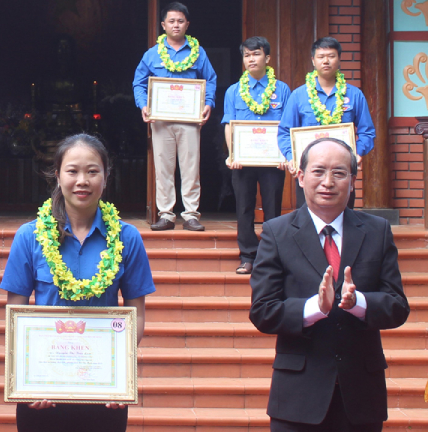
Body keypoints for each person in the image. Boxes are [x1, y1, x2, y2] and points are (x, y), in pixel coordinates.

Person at [249, 138, 409, 432]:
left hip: (360, 395)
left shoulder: (377, 231)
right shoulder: (276, 232)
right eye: (318, 172)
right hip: (298, 397)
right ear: (300, 175)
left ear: (353, 180)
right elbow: (263, 310)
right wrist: (313, 308)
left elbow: (398, 306)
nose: (327, 181)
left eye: (339, 173)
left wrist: (359, 304)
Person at [0, 134, 155, 432]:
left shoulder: (128, 238)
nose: (81, 181)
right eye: (72, 171)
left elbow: (137, 315)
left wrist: (119, 380)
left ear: (106, 176)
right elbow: (15, 315)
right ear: (57, 175)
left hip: (104, 395)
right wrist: (25, 380)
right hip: (42, 396)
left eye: (92, 171)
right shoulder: (30, 236)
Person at [133, 2, 217, 231]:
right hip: (160, 120)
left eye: (180, 21)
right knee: (163, 167)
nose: (176, 25)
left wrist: (208, 103)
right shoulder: (152, 54)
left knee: (191, 167)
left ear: (187, 24)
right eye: (171, 21)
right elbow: (138, 83)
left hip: (189, 120)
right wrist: (143, 105)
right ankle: (166, 215)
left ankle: (190, 214)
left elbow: (210, 79)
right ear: (163, 25)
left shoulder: (198, 53)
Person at [278, 36, 375, 209]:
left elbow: (367, 131)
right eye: (321, 57)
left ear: (339, 59)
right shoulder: (298, 96)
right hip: (309, 168)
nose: (326, 61)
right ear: (313, 61)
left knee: (344, 218)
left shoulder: (354, 94)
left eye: (331, 56)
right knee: (307, 221)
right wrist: (292, 157)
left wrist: (357, 153)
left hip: (342, 169)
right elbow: (285, 132)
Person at [222, 36, 291, 274]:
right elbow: (229, 125)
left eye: (256, 54)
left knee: (273, 210)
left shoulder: (282, 90)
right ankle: (248, 256)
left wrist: (286, 155)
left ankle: (273, 256)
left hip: (274, 162)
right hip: (243, 162)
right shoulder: (233, 91)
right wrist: (232, 154)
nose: (251, 59)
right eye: (247, 55)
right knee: (244, 208)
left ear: (267, 58)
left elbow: (289, 126)